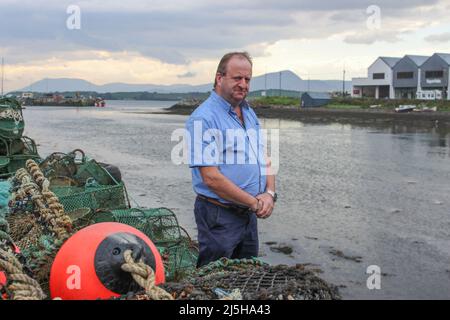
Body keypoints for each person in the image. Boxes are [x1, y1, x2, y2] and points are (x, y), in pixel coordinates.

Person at [185, 52, 277, 267]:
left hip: (248, 215)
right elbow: (211, 178)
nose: (243, 84)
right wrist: (255, 202)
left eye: (247, 79)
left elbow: (263, 156)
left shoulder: (249, 112)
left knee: (247, 276)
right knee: (214, 279)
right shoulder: (203, 118)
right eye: (237, 78)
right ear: (219, 78)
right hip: (219, 216)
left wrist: (269, 194)